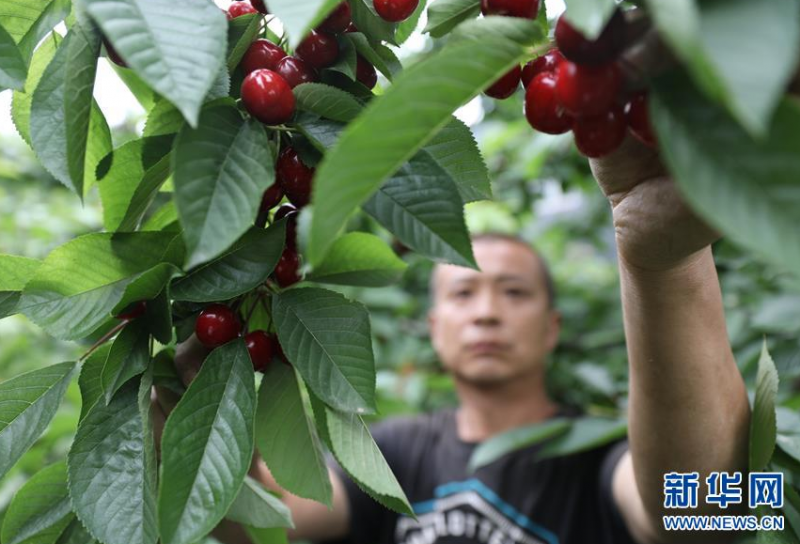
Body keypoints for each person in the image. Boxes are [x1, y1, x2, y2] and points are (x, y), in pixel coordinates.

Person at [154, 132, 751, 544]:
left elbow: (725, 519)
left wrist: (665, 265)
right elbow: (267, 527)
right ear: (434, 330)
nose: (487, 312)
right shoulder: (391, 455)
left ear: (552, 329)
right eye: (463, 295)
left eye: (514, 292)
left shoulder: (604, 451)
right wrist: (180, 419)